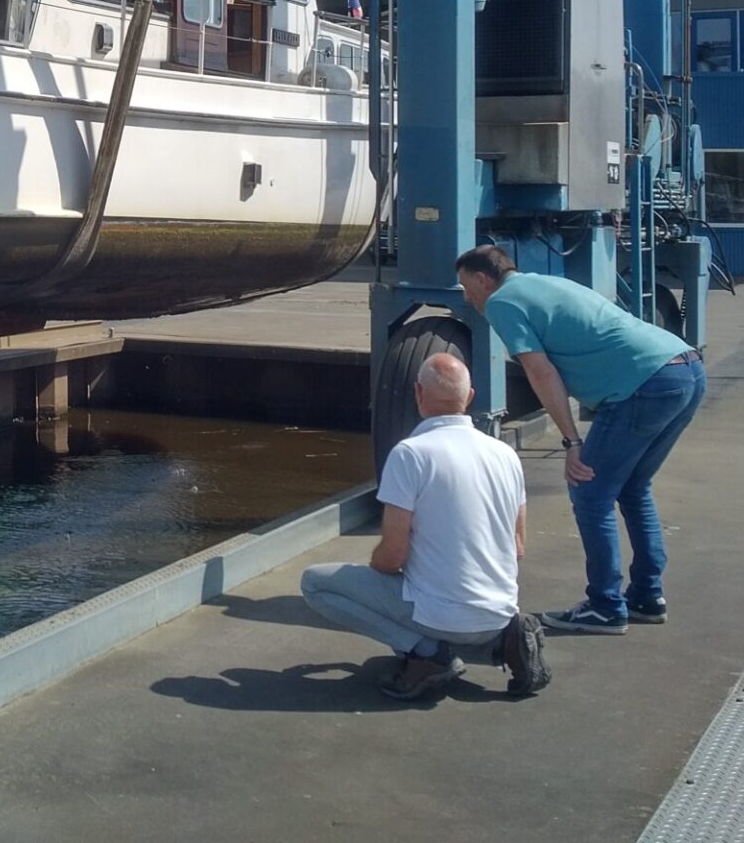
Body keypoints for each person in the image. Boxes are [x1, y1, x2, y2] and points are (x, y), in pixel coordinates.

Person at [455, 244, 707, 636]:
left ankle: (606, 606)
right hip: (686, 368)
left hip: (644, 384)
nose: (469, 300)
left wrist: (572, 443)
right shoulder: (543, 283)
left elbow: (541, 374)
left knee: (590, 493)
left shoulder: (502, 302)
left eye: (468, 289)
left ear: (484, 279)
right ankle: (646, 595)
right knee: (634, 486)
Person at [301, 354, 548, 701]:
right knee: (454, 602)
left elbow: (392, 556)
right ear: (471, 396)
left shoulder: (410, 454)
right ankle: (503, 643)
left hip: (439, 616)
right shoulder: (504, 454)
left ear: (418, 393)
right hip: (499, 609)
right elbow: (517, 546)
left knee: (314, 584)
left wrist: (376, 570)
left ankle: (428, 654)